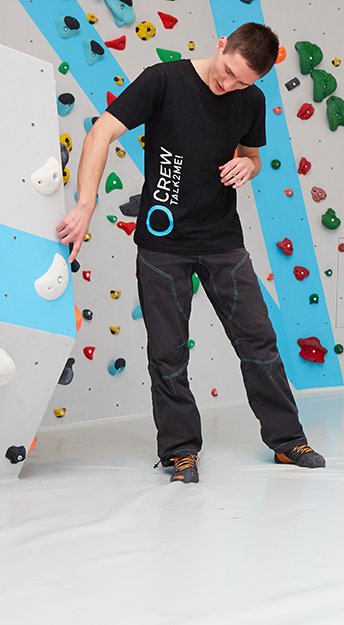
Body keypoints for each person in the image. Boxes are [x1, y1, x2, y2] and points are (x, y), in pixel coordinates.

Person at [55, 23, 325, 483]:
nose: (229, 86)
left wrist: (249, 164)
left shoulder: (251, 100)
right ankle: (180, 451)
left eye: (243, 82)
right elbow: (100, 133)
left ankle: (287, 440)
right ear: (220, 46)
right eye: (227, 73)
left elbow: (252, 156)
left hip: (223, 240)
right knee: (168, 353)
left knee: (258, 341)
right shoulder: (163, 79)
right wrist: (85, 204)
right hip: (163, 245)